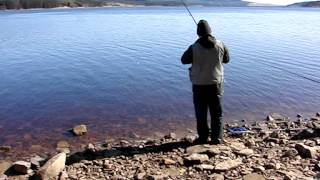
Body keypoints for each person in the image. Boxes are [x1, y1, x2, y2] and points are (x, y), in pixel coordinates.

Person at [181, 20, 230, 144]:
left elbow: (183, 60)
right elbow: (226, 59)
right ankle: (217, 139)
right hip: (216, 84)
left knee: (201, 113)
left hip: (199, 85)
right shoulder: (221, 44)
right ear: (210, 31)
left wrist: (196, 46)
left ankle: (203, 138)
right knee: (217, 113)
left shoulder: (194, 47)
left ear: (198, 33)